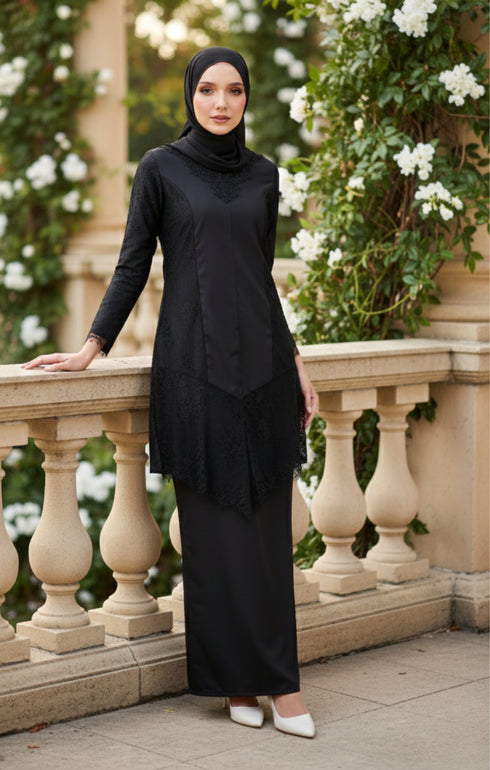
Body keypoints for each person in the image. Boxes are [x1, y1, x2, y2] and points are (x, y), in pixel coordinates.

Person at [23, 47, 318, 739]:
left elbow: (260, 276)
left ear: (247, 99)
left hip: (267, 370)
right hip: (193, 371)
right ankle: (235, 683)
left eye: (235, 91)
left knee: (269, 535)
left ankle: (284, 684)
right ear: (191, 94)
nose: (221, 103)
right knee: (215, 538)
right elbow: (131, 265)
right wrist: (90, 348)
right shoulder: (161, 168)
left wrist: (298, 359)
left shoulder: (265, 175)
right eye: (209, 90)